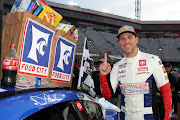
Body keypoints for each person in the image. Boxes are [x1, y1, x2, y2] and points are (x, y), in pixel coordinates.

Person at [99, 25, 172, 120]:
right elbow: (107, 95)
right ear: (119, 42)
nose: (126, 42)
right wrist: (104, 76)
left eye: (130, 37)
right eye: (122, 39)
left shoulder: (152, 60)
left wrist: (167, 118)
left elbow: (166, 91)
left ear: (136, 39)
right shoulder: (117, 66)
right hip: (126, 116)